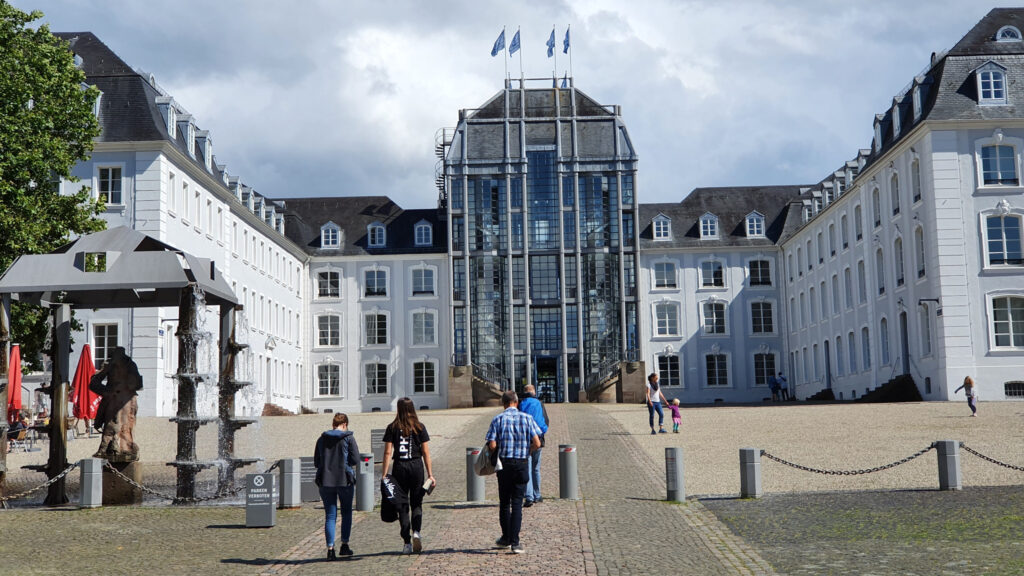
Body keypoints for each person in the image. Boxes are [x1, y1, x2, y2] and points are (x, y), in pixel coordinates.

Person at [486, 390, 542, 554]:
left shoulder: (498, 419)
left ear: (504, 404)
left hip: (504, 464)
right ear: (516, 403)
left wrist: (495, 454)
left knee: (504, 502)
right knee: (517, 503)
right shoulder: (527, 418)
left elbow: (492, 445)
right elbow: (537, 443)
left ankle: (505, 537)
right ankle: (515, 542)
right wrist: (527, 452)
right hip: (521, 463)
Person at [381, 397, 435, 554]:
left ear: (398, 409)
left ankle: (406, 542)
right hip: (416, 466)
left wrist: (384, 474)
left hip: (400, 467)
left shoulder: (392, 427)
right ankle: (416, 532)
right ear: (412, 408)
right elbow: (425, 452)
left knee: (402, 505)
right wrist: (430, 474)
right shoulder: (419, 427)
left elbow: (387, 452)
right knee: (417, 503)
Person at [314, 412, 359, 560]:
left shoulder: (321, 439)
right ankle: (344, 545)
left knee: (330, 515)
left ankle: (330, 549)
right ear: (344, 424)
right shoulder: (348, 438)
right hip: (344, 479)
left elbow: (316, 461)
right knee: (346, 513)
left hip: (325, 480)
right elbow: (355, 459)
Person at [518, 384, 549, 507]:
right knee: (536, 468)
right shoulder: (539, 403)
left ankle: (529, 496)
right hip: (538, 439)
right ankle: (537, 495)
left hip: (525, 440)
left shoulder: (521, 404)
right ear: (534, 392)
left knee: (527, 468)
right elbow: (546, 421)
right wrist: (540, 434)